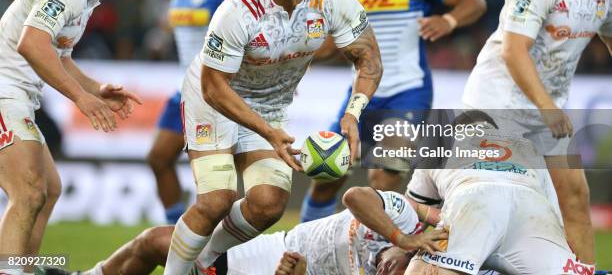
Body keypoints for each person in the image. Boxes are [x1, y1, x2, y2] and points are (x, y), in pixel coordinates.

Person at [163, 0, 383, 275]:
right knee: (217, 199)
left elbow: (369, 57)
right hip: (214, 99)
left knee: (269, 204)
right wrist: (267, 132)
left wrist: (353, 112)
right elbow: (213, 86)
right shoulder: (239, 9)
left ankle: (204, 263)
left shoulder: (333, 0)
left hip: (270, 104)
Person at [300, 0, 486, 223]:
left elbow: (474, 0)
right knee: (326, 176)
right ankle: (303, 252)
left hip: (407, 93)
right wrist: (298, 61)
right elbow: (335, 41)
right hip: (361, 96)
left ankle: (379, 256)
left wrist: (449, 20)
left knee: (383, 177)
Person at [462, 0, 612, 270]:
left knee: (575, 194)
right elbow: (514, 52)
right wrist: (548, 108)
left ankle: (585, 272)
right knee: (487, 203)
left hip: (547, 110)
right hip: (499, 103)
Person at [0, 0, 143, 274]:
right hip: (2, 90)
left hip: (18, 95)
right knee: (30, 190)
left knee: (48, 189)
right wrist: (82, 99)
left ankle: (23, 270)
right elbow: (31, 43)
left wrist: (96, 89)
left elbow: (58, 55)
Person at [47, 186, 446, 275]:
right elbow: (357, 196)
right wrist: (403, 240)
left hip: (284, 272)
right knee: (157, 241)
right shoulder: (403, 220)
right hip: (270, 248)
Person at [404, 111, 582, 275]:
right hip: (533, 207)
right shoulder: (527, 146)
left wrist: (400, 250)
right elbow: (556, 218)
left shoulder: (440, 144)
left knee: (421, 270)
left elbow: (408, 212)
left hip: (474, 201)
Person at [146, 0, 241, 224]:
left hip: (214, 92)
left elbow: (251, 26)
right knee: (159, 158)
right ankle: (176, 229)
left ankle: (220, 248)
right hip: (184, 89)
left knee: (210, 181)